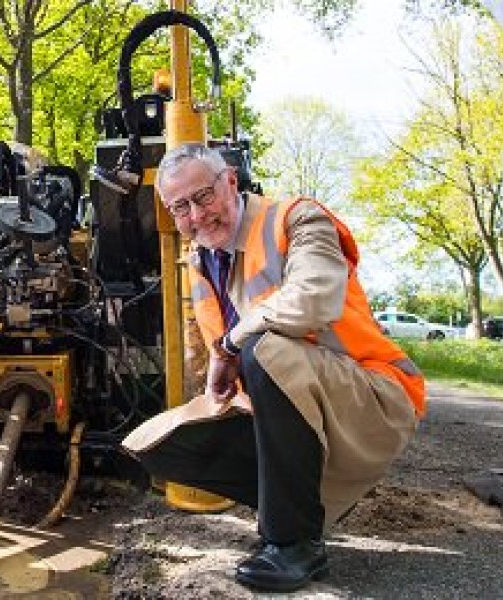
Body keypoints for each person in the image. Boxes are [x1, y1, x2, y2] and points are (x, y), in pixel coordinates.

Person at [122, 143, 424, 592]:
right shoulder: (201, 262)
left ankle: (294, 544)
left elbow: (314, 299)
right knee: (156, 444)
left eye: (203, 196)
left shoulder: (298, 219)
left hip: (374, 399)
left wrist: (228, 346)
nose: (197, 216)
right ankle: (306, 505)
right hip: (301, 410)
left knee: (264, 349)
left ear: (230, 180)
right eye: (180, 207)